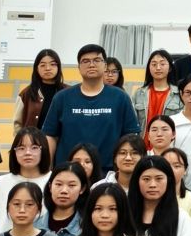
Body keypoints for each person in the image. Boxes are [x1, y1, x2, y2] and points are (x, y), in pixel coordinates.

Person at [40, 43, 140, 174]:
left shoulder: (120, 97)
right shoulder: (62, 98)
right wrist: (47, 170)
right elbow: (50, 136)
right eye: (86, 61)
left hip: (109, 173)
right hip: (68, 172)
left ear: (105, 65)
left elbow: (131, 137)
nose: (91, 65)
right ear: (79, 67)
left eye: (97, 60)